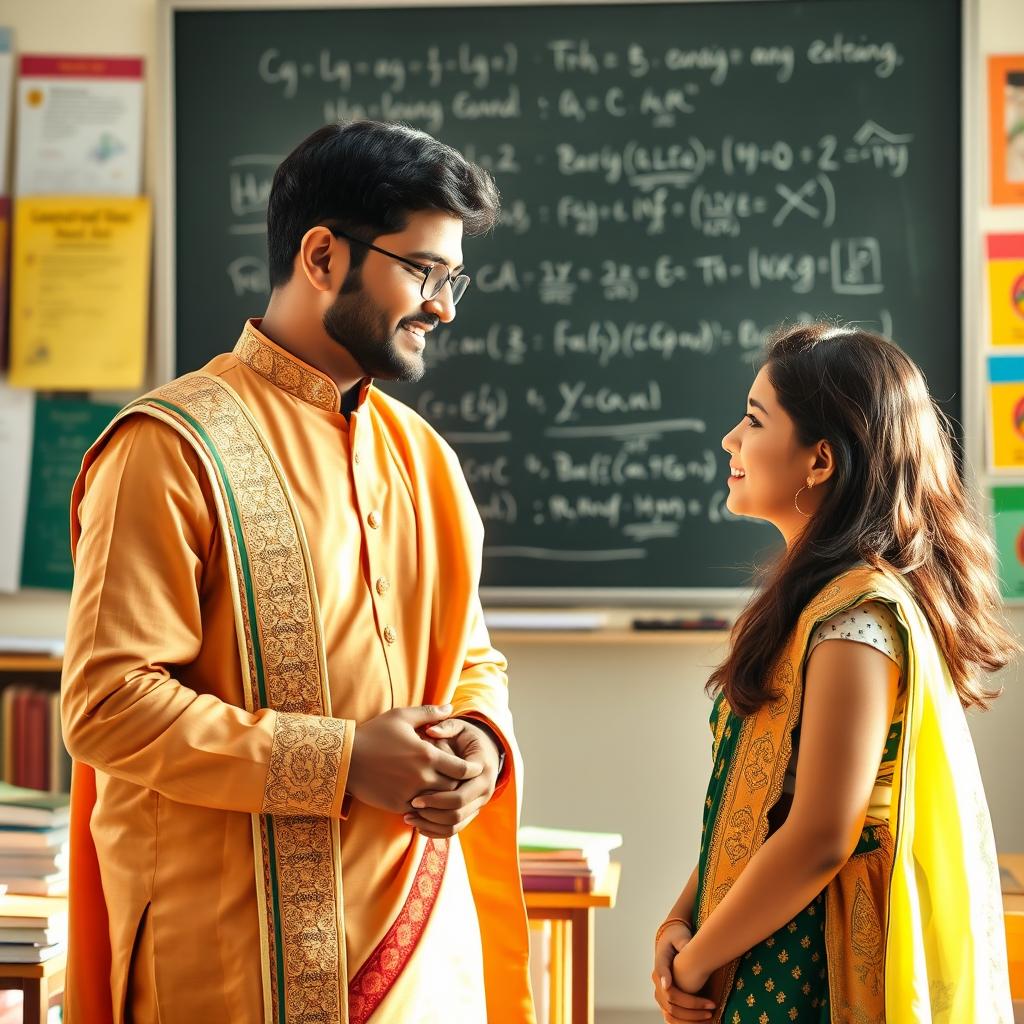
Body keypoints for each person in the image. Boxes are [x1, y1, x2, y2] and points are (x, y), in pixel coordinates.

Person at [61, 120, 535, 1024]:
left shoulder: (425, 459)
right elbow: (108, 704)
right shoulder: (168, 449)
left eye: (452, 278)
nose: (444, 306)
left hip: (416, 949)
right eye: (424, 272)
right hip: (224, 961)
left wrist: (481, 740)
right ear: (323, 255)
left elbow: (470, 657)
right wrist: (344, 760)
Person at [652, 323, 1016, 1023]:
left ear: (819, 462)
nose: (730, 439)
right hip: (762, 932)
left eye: (754, 421)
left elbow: (821, 834)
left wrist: (698, 960)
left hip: (822, 957)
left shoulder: (859, 619)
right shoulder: (811, 606)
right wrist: (680, 922)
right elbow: (758, 811)